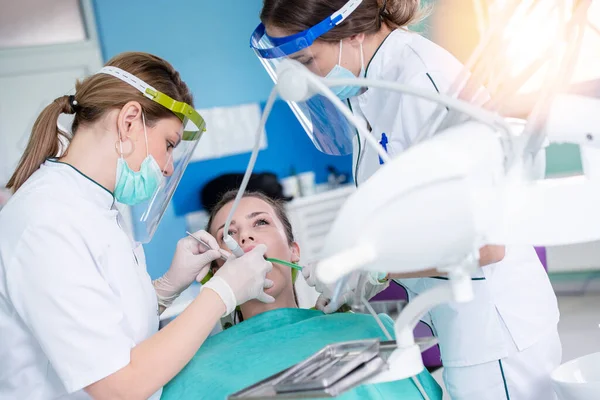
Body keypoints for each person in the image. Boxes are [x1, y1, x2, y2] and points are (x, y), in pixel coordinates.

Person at [252, 1, 561, 399]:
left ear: (352, 32)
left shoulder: (421, 81)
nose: (303, 78)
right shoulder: (367, 85)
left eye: (306, 59)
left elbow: (485, 244)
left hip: (494, 328)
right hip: (459, 321)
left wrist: (372, 265)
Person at [0, 52, 274, 400]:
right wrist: (222, 292)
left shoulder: (95, 206)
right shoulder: (46, 222)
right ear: (129, 121)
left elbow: (108, 324)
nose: (169, 167)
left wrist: (165, 289)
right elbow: (118, 385)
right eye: (169, 145)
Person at [161, 190, 443, 400]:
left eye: (260, 223)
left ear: (294, 250)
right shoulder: (190, 368)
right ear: (215, 268)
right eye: (228, 235)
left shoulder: (371, 328)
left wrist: (377, 267)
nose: (244, 238)